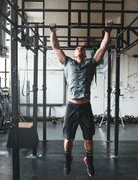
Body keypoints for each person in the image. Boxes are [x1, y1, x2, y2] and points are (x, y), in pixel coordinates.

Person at [49, 22, 112, 177]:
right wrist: (52, 31)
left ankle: (89, 161)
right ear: (74, 53)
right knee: (68, 138)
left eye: (82, 48)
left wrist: (108, 32)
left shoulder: (91, 64)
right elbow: (56, 47)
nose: (79, 49)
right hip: (71, 106)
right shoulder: (67, 62)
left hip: (85, 106)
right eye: (77, 48)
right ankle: (67, 159)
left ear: (85, 53)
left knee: (89, 138)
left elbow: (102, 48)